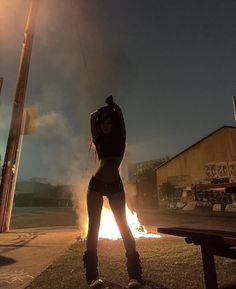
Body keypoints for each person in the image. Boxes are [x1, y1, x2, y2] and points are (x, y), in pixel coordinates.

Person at [83, 96, 143, 289]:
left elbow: (122, 119)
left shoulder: (120, 137)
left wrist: (115, 107)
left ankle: (135, 276)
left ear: (114, 123)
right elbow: (92, 117)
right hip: (96, 185)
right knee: (93, 229)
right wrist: (101, 112)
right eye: (103, 123)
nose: (105, 126)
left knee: (124, 227)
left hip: (115, 186)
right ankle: (93, 277)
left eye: (109, 122)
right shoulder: (98, 139)